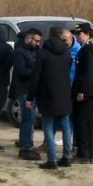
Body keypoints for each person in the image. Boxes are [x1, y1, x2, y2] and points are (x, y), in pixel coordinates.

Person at [27, 27, 73, 169]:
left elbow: (35, 77)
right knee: (65, 127)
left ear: (49, 36)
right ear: (60, 37)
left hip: (47, 95)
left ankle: (52, 160)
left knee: (48, 126)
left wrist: (30, 97)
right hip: (65, 95)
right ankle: (67, 157)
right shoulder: (66, 53)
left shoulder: (43, 53)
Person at [71, 23, 93, 164]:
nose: (77, 36)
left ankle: (84, 154)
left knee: (82, 122)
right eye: (76, 34)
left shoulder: (88, 49)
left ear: (88, 34)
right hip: (87, 89)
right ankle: (88, 154)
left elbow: (88, 72)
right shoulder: (85, 48)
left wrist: (82, 91)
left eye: (80, 34)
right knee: (85, 122)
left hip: (86, 90)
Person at [13, 28, 43, 160]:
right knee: (28, 119)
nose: (38, 43)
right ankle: (26, 148)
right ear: (29, 38)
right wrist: (36, 72)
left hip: (33, 89)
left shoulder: (34, 51)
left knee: (29, 119)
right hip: (25, 90)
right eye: (36, 40)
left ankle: (27, 145)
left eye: (39, 41)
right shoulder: (20, 52)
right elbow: (21, 71)